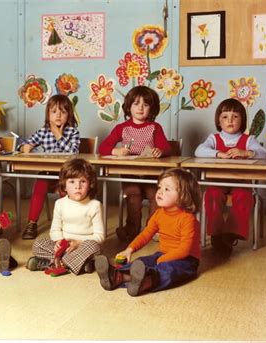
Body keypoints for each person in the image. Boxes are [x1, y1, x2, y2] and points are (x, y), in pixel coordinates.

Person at [95, 168, 201, 297]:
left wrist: (163, 260)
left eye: (167, 189)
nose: (160, 192)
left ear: (184, 195)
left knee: (168, 270)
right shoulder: (159, 213)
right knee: (142, 262)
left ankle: (147, 282)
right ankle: (117, 275)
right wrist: (129, 249)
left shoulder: (188, 219)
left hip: (186, 260)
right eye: (160, 187)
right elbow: (146, 234)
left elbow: (184, 249)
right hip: (162, 254)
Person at [195, 98, 266, 256]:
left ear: (242, 120)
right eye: (225, 117)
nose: (230, 120)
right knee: (211, 195)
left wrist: (248, 152)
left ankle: (230, 234)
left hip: (241, 183)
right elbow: (199, 151)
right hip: (217, 182)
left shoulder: (248, 140)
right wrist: (217, 153)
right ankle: (216, 234)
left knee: (244, 196)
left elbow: (265, 154)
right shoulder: (213, 139)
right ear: (219, 121)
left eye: (235, 116)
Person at [98, 85, 172, 242]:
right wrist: (116, 151)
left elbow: (166, 148)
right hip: (130, 174)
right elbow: (103, 147)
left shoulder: (155, 127)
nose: (140, 108)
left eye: (145, 105)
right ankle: (132, 229)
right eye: (136, 103)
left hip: (152, 176)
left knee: (156, 195)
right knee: (133, 194)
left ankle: (153, 228)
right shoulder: (122, 128)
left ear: (151, 109)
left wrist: (160, 151)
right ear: (128, 107)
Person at [26, 158, 104, 275]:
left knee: (94, 247)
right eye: (72, 182)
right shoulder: (60, 204)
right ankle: (76, 264)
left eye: (82, 181)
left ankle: (52, 263)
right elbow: (55, 229)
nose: (77, 186)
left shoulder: (95, 206)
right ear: (64, 186)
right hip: (64, 247)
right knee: (38, 244)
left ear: (90, 184)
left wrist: (78, 243)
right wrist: (58, 241)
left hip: (83, 246)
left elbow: (100, 236)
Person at [18, 94, 80, 240]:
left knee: (66, 193)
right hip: (47, 172)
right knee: (39, 188)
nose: (58, 115)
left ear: (69, 115)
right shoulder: (42, 132)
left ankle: (68, 225)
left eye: (63, 112)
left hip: (66, 175)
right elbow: (26, 144)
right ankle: (32, 223)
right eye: (54, 112)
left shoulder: (73, 132)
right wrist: (24, 147)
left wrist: (58, 134)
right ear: (48, 114)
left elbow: (73, 153)